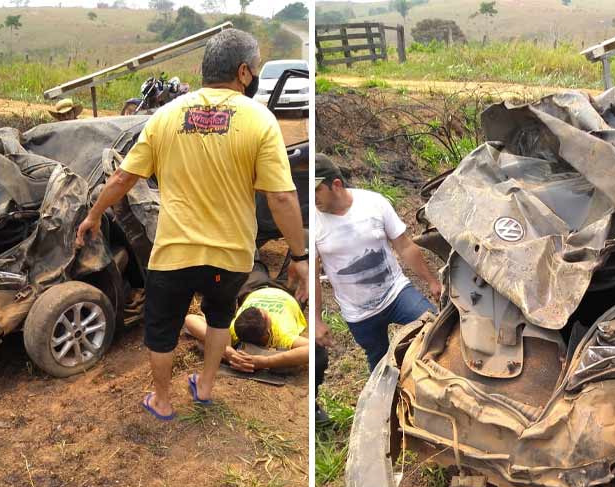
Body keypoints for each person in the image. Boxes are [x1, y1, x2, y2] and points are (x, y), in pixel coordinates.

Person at [76, 28, 308, 421]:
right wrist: (299, 255)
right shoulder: (260, 120)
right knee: (219, 317)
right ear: (244, 73)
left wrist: (94, 215)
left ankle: (163, 401)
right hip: (231, 255)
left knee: (162, 328)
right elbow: (282, 197)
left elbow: (122, 179)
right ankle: (204, 386)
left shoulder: (165, 116)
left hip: (174, 254)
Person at [313, 154, 442, 373]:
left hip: (397, 294)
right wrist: (316, 321)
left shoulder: (373, 203)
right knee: (381, 366)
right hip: (359, 313)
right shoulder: (314, 222)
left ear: (335, 184)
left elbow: (404, 246)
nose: (312, 197)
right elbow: (312, 276)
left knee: (436, 330)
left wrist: (432, 281)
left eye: (316, 190)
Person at [183, 265, 309, 374]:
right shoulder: (280, 335)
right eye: (265, 314)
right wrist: (266, 362)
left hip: (254, 288)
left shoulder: (234, 330)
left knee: (251, 257)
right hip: (288, 293)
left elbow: (190, 319)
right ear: (268, 332)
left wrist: (225, 349)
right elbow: (311, 349)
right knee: (300, 254)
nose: (263, 309)